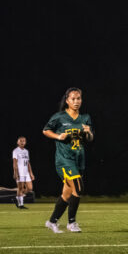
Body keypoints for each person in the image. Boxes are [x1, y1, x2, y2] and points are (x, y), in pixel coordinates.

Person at [42, 88, 93, 233]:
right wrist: (58, 137)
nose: (76, 101)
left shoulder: (85, 118)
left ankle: (51, 222)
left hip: (79, 160)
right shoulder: (59, 117)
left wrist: (88, 132)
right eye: (73, 99)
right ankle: (72, 223)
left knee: (67, 194)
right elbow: (45, 130)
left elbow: (90, 139)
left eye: (79, 98)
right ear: (67, 100)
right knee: (79, 187)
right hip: (64, 160)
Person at [12, 136, 35, 209]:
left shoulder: (26, 151)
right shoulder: (15, 151)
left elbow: (28, 163)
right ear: (17, 142)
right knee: (20, 188)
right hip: (20, 172)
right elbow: (15, 163)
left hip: (26, 172)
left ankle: (18, 197)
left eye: (24, 141)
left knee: (30, 188)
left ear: (25, 142)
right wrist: (15, 172)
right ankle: (21, 204)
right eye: (20, 141)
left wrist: (31, 173)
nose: (22, 142)